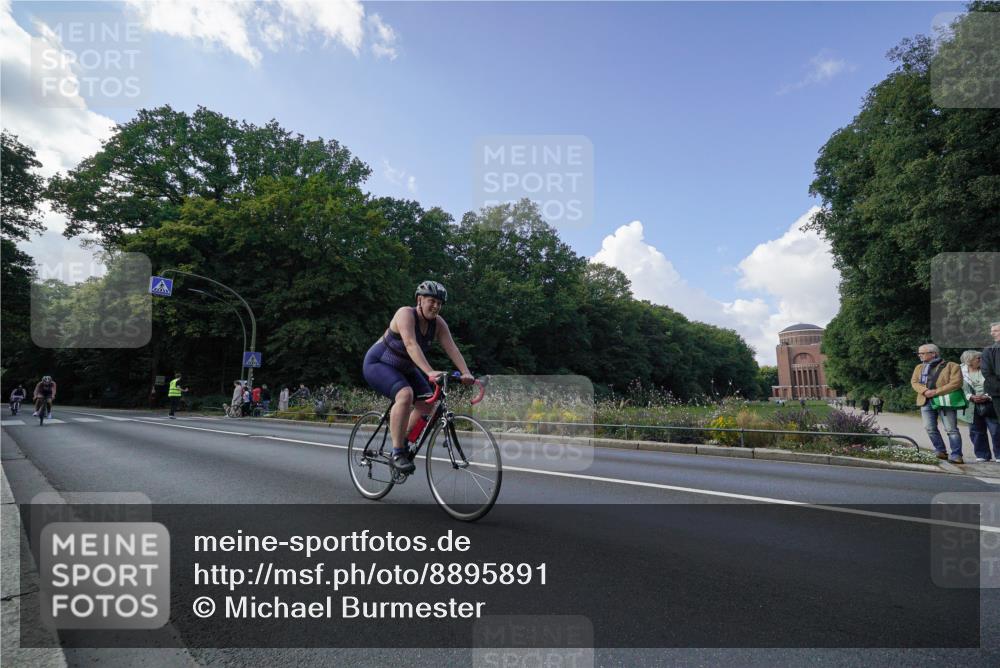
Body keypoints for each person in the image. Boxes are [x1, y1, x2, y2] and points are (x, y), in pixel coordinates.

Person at [362, 280, 474, 474]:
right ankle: (397, 453)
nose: (436, 306)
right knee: (405, 394)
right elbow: (411, 344)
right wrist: (430, 372)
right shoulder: (405, 314)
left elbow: (452, 348)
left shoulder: (438, 324)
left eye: (440, 303)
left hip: (405, 368)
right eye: (432, 301)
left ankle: (404, 441)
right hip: (378, 363)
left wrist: (466, 372)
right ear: (419, 300)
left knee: (427, 404)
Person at [911, 344, 964, 463]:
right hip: (925, 400)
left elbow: (956, 383)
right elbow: (914, 382)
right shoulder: (919, 367)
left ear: (933, 353)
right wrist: (925, 391)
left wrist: (935, 392)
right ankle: (940, 450)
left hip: (945, 400)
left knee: (951, 429)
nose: (919, 355)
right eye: (918, 353)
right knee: (929, 428)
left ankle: (956, 455)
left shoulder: (952, 366)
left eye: (922, 353)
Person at [959, 350, 999, 463]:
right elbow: (958, 387)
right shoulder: (960, 371)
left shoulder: (990, 369)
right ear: (969, 361)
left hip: (991, 403)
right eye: (978, 359)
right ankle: (982, 455)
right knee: (976, 431)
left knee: (996, 430)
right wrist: (970, 396)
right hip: (971, 405)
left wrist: (988, 396)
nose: (981, 360)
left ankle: (999, 455)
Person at [983, 322, 1000, 428]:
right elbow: (987, 372)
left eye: (996, 331)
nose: (992, 333)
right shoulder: (988, 350)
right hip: (998, 392)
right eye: (991, 331)